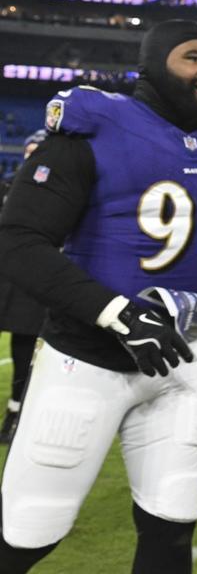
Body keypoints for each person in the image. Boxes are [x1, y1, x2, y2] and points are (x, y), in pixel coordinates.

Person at [0, 20, 197, 573]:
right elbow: (18, 240)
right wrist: (115, 312)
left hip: (188, 358)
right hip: (88, 359)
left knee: (171, 533)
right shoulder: (97, 124)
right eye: (194, 57)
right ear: (153, 64)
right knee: (28, 533)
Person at [0, 131, 50, 444]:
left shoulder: (59, 195)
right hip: (4, 273)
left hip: (31, 280)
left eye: (37, 154)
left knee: (24, 346)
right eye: (28, 154)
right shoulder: (7, 187)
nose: (30, 160)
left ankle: (16, 412)